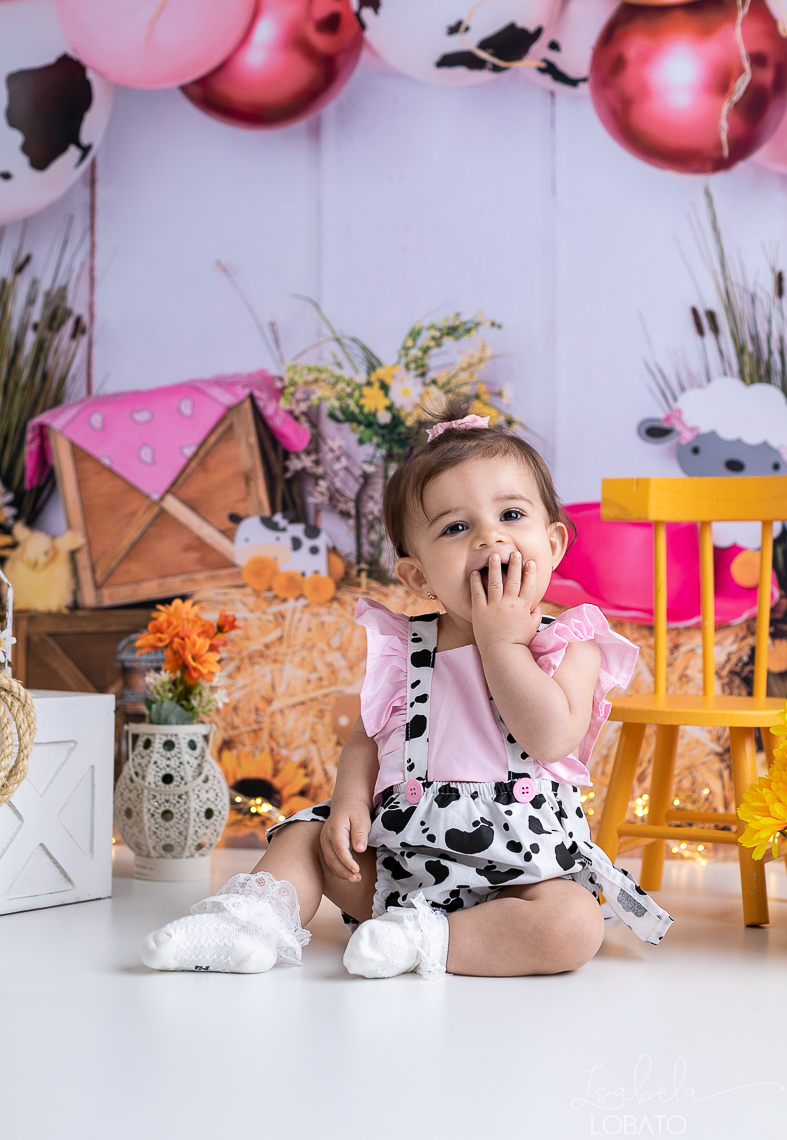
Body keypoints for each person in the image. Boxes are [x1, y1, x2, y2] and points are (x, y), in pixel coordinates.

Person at [141, 406, 672, 979]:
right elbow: (371, 736)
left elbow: (549, 737)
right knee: (303, 836)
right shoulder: (406, 646)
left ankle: (426, 942)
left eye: (511, 514)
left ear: (554, 543)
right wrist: (348, 801)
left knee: (573, 925)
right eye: (456, 528)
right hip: (401, 860)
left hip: (519, 878)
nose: (490, 538)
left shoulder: (569, 643)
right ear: (418, 577)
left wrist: (503, 645)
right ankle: (244, 926)